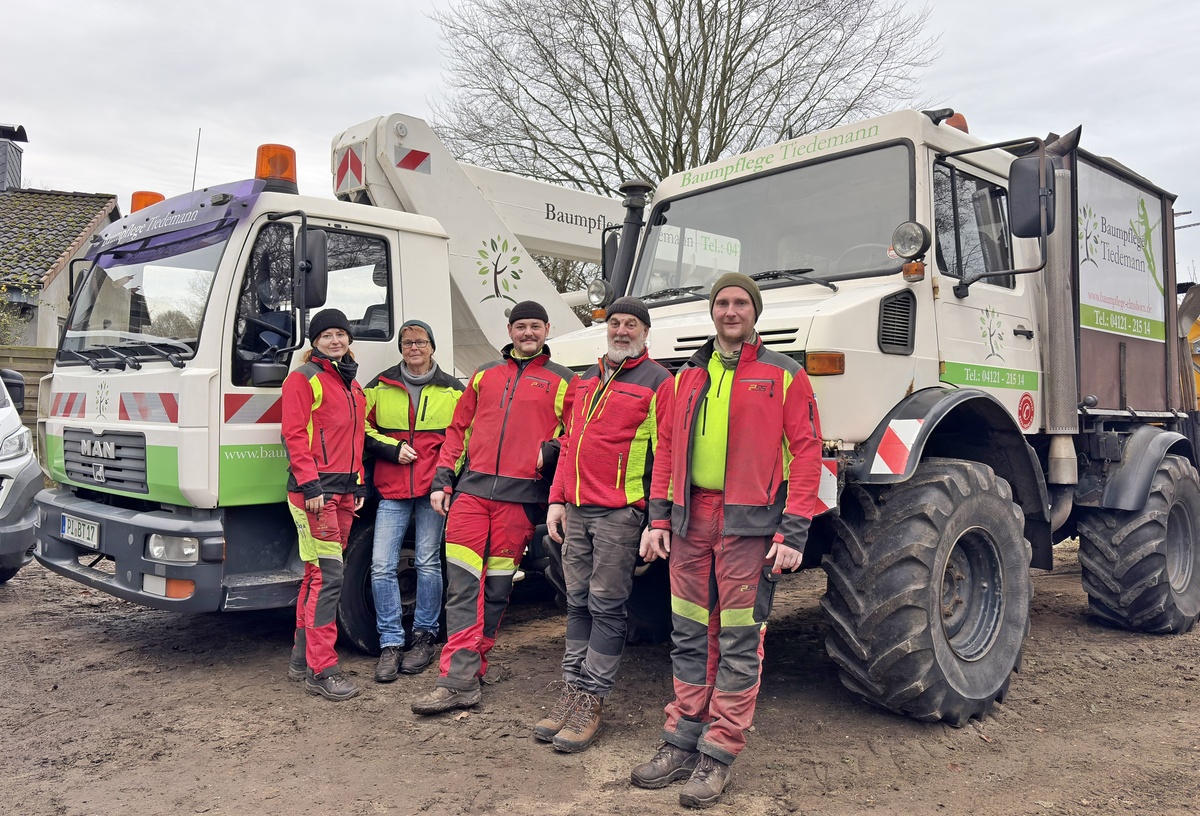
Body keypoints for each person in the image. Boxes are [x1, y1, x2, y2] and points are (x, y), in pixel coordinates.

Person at [630, 273, 823, 808]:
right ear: (712, 311)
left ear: (754, 312)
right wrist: (659, 519)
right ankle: (682, 739)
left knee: (739, 638)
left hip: (751, 525)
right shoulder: (686, 377)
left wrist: (794, 529)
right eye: (722, 302)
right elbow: (666, 451)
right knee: (690, 633)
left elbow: (807, 452)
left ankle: (718, 752)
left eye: (740, 303)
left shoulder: (785, 375)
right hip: (690, 521)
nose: (731, 311)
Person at [410, 300, 578, 715]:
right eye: (520, 326)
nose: (527, 333)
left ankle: (472, 668)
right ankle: (457, 679)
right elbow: (458, 429)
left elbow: (577, 436)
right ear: (510, 331)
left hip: (519, 503)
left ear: (546, 329)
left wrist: (550, 450)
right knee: (463, 587)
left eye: (535, 326)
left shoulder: (565, 381)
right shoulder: (484, 374)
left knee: (498, 591)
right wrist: (443, 478)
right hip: (471, 495)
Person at [534, 297, 671, 752]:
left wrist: (657, 517)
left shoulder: (659, 382)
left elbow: (666, 456)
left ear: (645, 333)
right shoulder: (586, 381)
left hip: (620, 513)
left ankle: (591, 700)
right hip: (576, 510)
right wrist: (557, 500)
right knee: (577, 603)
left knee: (606, 606)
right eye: (615, 323)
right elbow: (569, 444)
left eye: (632, 324)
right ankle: (572, 689)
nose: (621, 331)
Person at [363, 319, 464, 682]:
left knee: (427, 562)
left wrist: (444, 480)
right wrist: (391, 448)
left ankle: (424, 637)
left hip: (433, 490)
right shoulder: (379, 385)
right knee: (381, 566)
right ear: (401, 349)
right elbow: (360, 427)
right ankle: (391, 643)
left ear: (432, 346)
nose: (414, 348)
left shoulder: (453, 390)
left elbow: (462, 438)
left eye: (421, 342)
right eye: (407, 343)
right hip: (392, 489)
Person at [283, 308, 367, 702]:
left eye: (340, 334)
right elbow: (293, 435)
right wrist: (310, 484)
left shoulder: (352, 383)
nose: (335, 340)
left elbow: (355, 437)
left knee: (317, 574)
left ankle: (301, 660)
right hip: (316, 494)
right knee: (329, 578)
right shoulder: (303, 378)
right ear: (315, 341)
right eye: (327, 335)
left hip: (344, 491)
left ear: (349, 339)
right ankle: (322, 670)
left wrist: (359, 481)